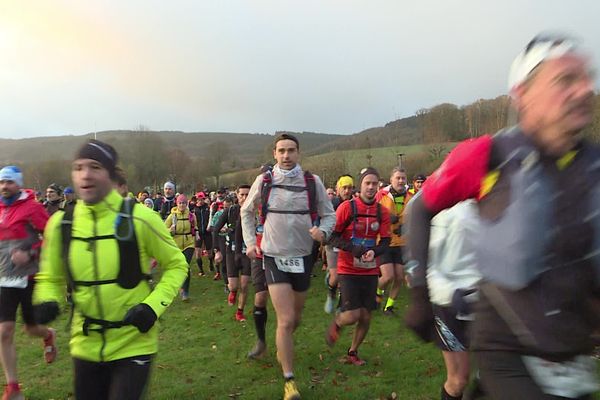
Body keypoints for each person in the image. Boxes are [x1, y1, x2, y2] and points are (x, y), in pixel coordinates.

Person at [405, 34, 599, 399]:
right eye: (565, 80)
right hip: (506, 344)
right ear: (524, 94)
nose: (584, 89)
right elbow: (420, 209)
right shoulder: (489, 154)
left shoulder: (594, 165)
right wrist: (418, 295)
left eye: (586, 78)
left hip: (574, 352)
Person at [33, 140, 187, 400]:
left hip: (133, 343)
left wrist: (152, 307)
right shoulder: (61, 224)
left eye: (95, 166)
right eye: (78, 167)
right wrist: (47, 299)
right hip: (84, 344)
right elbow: (49, 276)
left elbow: (177, 264)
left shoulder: (141, 218)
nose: (86, 174)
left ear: (110, 173)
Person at [241, 133, 335, 400]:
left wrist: (324, 232)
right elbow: (246, 211)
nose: (286, 155)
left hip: (303, 256)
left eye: (291, 150)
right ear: (274, 154)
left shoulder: (311, 182)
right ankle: (289, 382)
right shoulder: (265, 180)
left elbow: (329, 214)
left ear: (298, 153)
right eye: (281, 151)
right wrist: (250, 242)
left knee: (296, 318)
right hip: (273, 255)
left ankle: (283, 345)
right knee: (285, 319)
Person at [324, 168, 391, 366]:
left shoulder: (382, 212)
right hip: (348, 268)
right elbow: (332, 236)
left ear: (378, 186)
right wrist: (353, 248)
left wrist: (375, 252)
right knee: (353, 315)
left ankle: (353, 352)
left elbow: (386, 241)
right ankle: (338, 321)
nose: (371, 187)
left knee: (366, 315)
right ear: (360, 186)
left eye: (374, 184)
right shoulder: (347, 207)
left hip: (370, 269)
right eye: (367, 183)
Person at [0, 166, 56, 400]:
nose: (4, 186)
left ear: (19, 184)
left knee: (30, 328)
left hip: (30, 277)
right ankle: (13, 387)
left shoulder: (32, 207)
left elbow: (51, 238)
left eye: (9, 182)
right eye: (2, 182)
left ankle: (47, 334)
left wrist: (30, 253)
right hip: (4, 278)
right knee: (4, 331)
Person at [376, 167, 413, 315]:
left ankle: (389, 306)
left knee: (399, 277)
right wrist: (385, 218)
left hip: (402, 242)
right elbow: (372, 212)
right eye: (398, 178)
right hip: (385, 241)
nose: (400, 181)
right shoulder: (381, 195)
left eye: (403, 178)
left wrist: (406, 227)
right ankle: (378, 293)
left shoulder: (411, 197)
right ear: (391, 179)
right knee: (388, 276)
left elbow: (415, 217)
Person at [212, 185, 252, 321]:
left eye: (247, 195)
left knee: (245, 284)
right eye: (242, 195)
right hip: (231, 251)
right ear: (237, 195)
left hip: (248, 252)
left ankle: (240, 312)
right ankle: (233, 291)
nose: (245, 198)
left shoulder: (255, 212)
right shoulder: (230, 211)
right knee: (233, 285)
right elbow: (215, 229)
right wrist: (217, 250)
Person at [324, 175, 354, 314]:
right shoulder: (332, 204)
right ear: (339, 189)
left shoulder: (355, 204)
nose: (347, 191)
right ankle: (331, 295)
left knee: (345, 275)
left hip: (347, 243)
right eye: (344, 188)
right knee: (335, 276)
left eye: (350, 188)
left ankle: (342, 304)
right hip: (332, 243)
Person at [165, 194, 197, 302]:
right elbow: (164, 231)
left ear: (186, 204)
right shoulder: (172, 216)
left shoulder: (191, 216)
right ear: (177, 204)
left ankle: (185, 291)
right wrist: (170, 230)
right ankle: (180, 286)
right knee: (180, 267)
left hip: (189, 244)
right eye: (180, 203)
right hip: (176, 245)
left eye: (184, 203)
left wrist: (196, 238)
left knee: (186, 266)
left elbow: (195, 228)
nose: (182, 205)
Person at [193, 192, 213, 276]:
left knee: (209, 252)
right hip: (198, 233)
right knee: (198, 252)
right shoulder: (194, 209)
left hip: (207, 232)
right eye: (199, 199)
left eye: (202, 199)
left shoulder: (208, 208)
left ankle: (211, 263)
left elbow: (211, 217)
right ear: (196, 200)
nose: (200, 201)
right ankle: (201, 270)